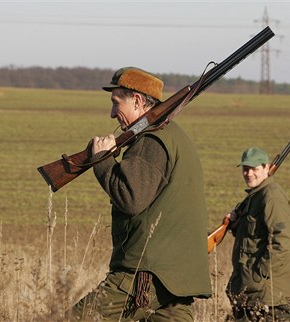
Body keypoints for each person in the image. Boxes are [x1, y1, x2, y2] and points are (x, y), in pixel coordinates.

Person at [71, 67, 211, 321]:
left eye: (116, 103)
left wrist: (102, 160)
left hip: (145, 272)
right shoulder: (172, 136)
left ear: (137, 101)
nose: (112, 113)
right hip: (176, 278)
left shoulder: (152, 140)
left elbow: (130, 198)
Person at [225, 147, 290, 321]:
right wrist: (235, 224)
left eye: (254, 169)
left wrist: (258, 275)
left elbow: (283, 242)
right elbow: (253, 236)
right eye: (245, 169)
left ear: (266, 168)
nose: (249, 174)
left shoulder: (271, 196)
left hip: (269, 296)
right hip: (253, 292)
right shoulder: (255, 196)